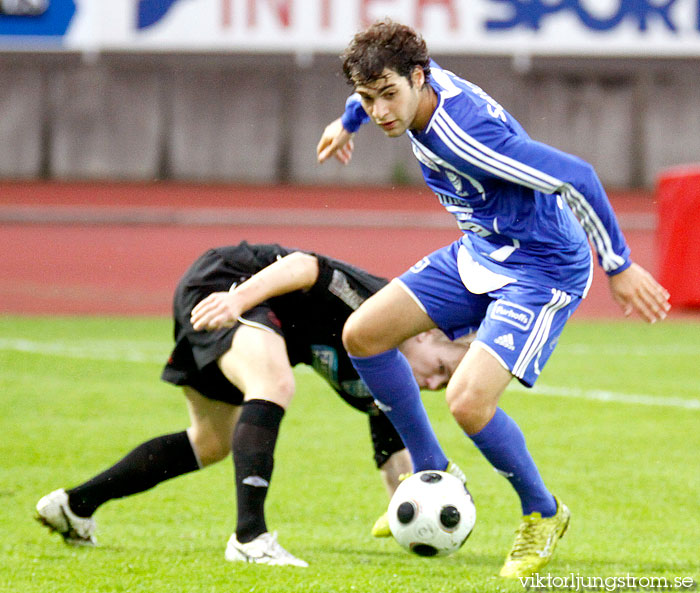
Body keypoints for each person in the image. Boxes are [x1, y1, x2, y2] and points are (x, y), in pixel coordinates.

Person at [316, 20, 671, 578]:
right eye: (369, 98)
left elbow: (577, 176)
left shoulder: (470, 136)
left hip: (541, 268)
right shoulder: (404, 88)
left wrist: (619, 265)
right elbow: (369, 89)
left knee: (467, 402)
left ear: (419, 78)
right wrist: (348, 120)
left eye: (388, 97)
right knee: (362, 333)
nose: (382, 110)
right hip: (481, 249)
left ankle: (543, 513)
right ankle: (433, 472)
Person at [35, 241, 472, 567]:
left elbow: (392, 449)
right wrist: (238, 299)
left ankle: (74, 506)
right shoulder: (380, 304)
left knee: (210, 442)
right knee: (274, 382)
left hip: (251, 317)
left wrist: (416, 511)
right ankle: (250, 539)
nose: (434, 383)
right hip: (230, 287)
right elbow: (304, 265)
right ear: (424, 332)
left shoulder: (384, 380)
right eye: (442, 369)